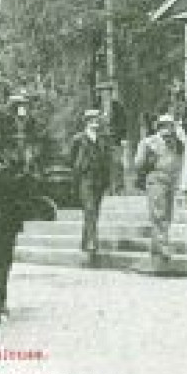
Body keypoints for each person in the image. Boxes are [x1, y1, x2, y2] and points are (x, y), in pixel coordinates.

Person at [132, 113, 185, 263]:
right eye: (164, 126)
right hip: (155, 179)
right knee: (158, 214)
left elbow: (178, 163)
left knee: (167, 215)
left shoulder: (177, 143)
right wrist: (149, 162)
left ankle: (156, 249)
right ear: (159, 127)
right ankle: (163, 247)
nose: (167, 130)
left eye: (170, 126)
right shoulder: (148, 143)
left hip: (171, 181)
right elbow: (138, 163)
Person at [68, 109, 112, 260]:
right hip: (85, 178)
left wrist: (108, 179)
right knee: (89, 208)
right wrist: (78, 170)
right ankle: (92, 242)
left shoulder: (104, 139)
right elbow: (71, 158)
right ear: (86, 122)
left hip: (99, 178)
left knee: (95, 211)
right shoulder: (78, 139)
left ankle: (85, 241)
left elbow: (107, 159)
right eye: (92, 120)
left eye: (97, 120)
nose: (95, 122)